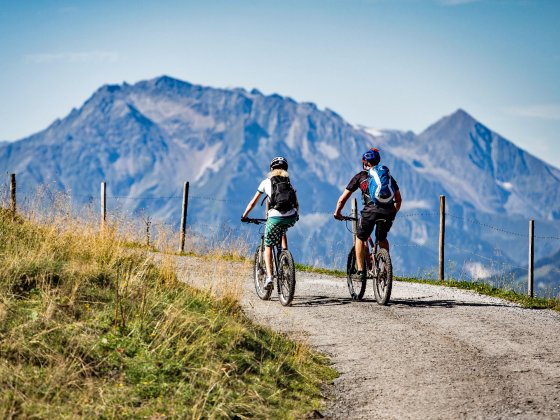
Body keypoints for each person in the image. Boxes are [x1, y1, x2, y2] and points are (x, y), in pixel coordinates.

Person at [333, 148, 402, 280]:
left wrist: (338, 213)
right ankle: (386, 269)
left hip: (370, 212)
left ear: (365, 163)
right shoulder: (388, 178)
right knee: (382, 239)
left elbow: (342, 199)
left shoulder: (360, 176)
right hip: (388, 213)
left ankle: (360, 271)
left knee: (360, 238)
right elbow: (398, 199)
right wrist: (393, 212)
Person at [241, 156, 299, 290]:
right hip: (291, 216)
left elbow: (253, 203)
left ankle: (269, 278)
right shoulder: (289, 182)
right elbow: (296, 202)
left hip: (274, 217)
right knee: (282, 229)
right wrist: (296, 214)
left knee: (268, 245)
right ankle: (285, 256)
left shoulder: (266, 182)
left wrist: (244, 216)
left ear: (271, 169)